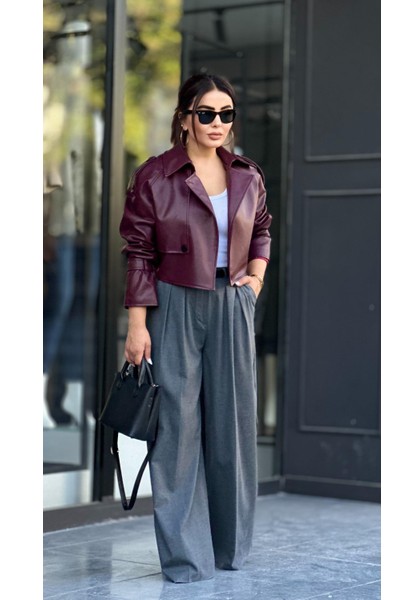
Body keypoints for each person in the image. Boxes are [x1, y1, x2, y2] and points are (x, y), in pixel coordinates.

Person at [119, 73, 272, 583]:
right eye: (206, 113)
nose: (217, 123)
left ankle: (229, 549)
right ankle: (187, 558)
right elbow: (138, 252)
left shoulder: (247, 174)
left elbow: (263, 229)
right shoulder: (155, 176)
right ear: (185, 117)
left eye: (226, 114)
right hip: (175, 302)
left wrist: (254, 281)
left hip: (232, 301)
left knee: (233, 426)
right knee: (177, 431)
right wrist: (137, 324)